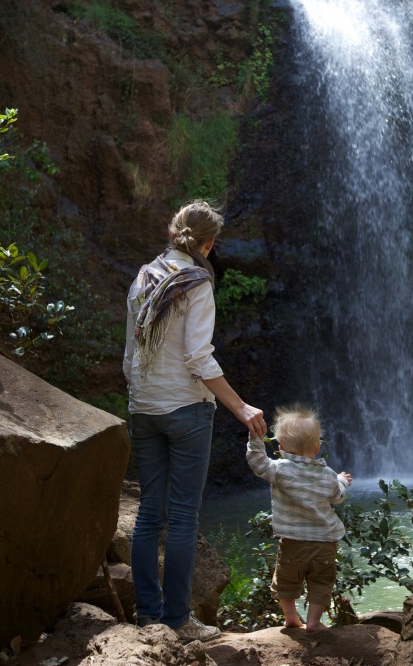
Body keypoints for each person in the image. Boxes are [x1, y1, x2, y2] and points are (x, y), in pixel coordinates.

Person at [123, 199, 267, 643]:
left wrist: (140, 394)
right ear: (209, 243)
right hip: (185, 410)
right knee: (183, 516)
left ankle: (147, 616)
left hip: (144, 407)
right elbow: (198, 358)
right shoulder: (196, 282)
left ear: (172, 233)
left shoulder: (143, 277)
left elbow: (130, 355)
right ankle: (178, 622)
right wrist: (241, 408)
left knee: (149, 513)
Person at [246, 404, 352, 630]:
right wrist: (342, 480)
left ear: (281, 447)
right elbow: (338, 496)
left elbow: (258, 464)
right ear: (317, 447)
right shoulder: (328, 475)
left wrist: (256, 439)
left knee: (286, 580)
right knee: (321, 581)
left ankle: (291, 618)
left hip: (292, 541)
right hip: (324, 542)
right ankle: (314, 622)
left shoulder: (280, 470)